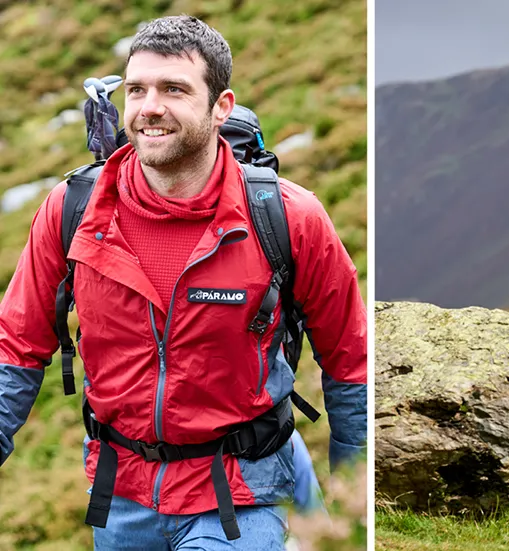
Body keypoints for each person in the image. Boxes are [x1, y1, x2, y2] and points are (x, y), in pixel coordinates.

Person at [0, 15, 366, 548]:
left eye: (173, 88)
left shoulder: (290, 217)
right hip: (120, 496)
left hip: (240, 492)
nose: (149, 107)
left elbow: (349, 362)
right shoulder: (73, 210)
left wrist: (354, 507)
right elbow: (16, 344)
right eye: (137, 89)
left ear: (221, 106)